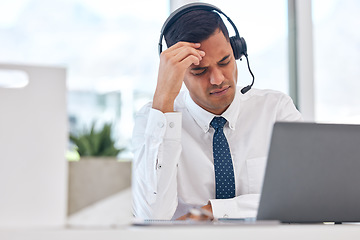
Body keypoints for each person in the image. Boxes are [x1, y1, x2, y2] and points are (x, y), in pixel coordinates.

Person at [131, 3, 302, 221]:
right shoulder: (152, 119)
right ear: (178, 73)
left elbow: (301, 193)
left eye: (225, 61)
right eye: (200, 71)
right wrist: (164, 101)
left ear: (237, 52)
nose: (218, 79)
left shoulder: (276, 110)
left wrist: (213, 212)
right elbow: (151, 217)